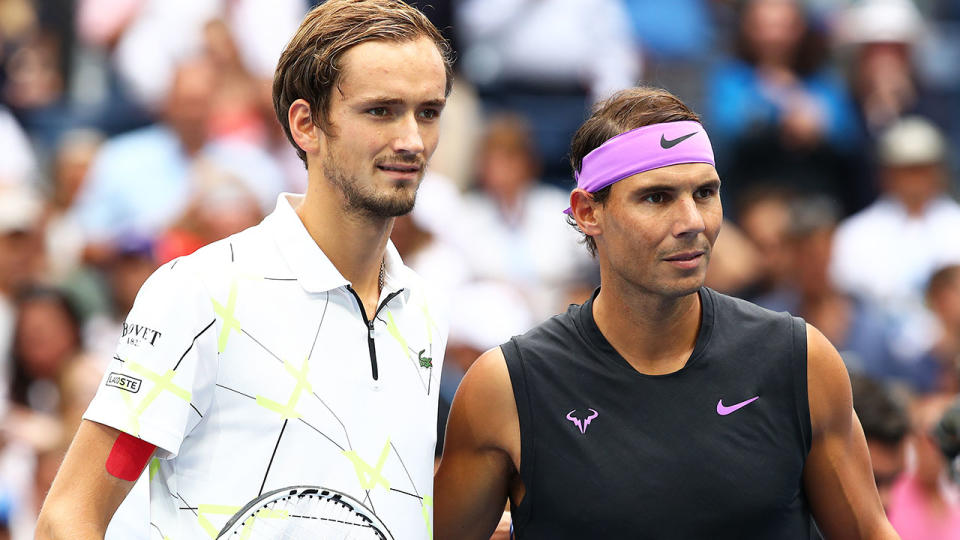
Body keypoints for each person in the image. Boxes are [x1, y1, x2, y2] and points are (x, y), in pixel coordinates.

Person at [36, 1, 452, 538]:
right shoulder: (198, 292)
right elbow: (69, 517)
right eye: (381, 111)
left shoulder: (425, 308)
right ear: (306, 125)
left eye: (428, 112)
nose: (412, 140)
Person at [435, 86, 897, 539]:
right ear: (587, 212)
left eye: (705, 193)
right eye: (656, 197)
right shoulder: (506, 388)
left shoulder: (801, 360)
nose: (692, 222)